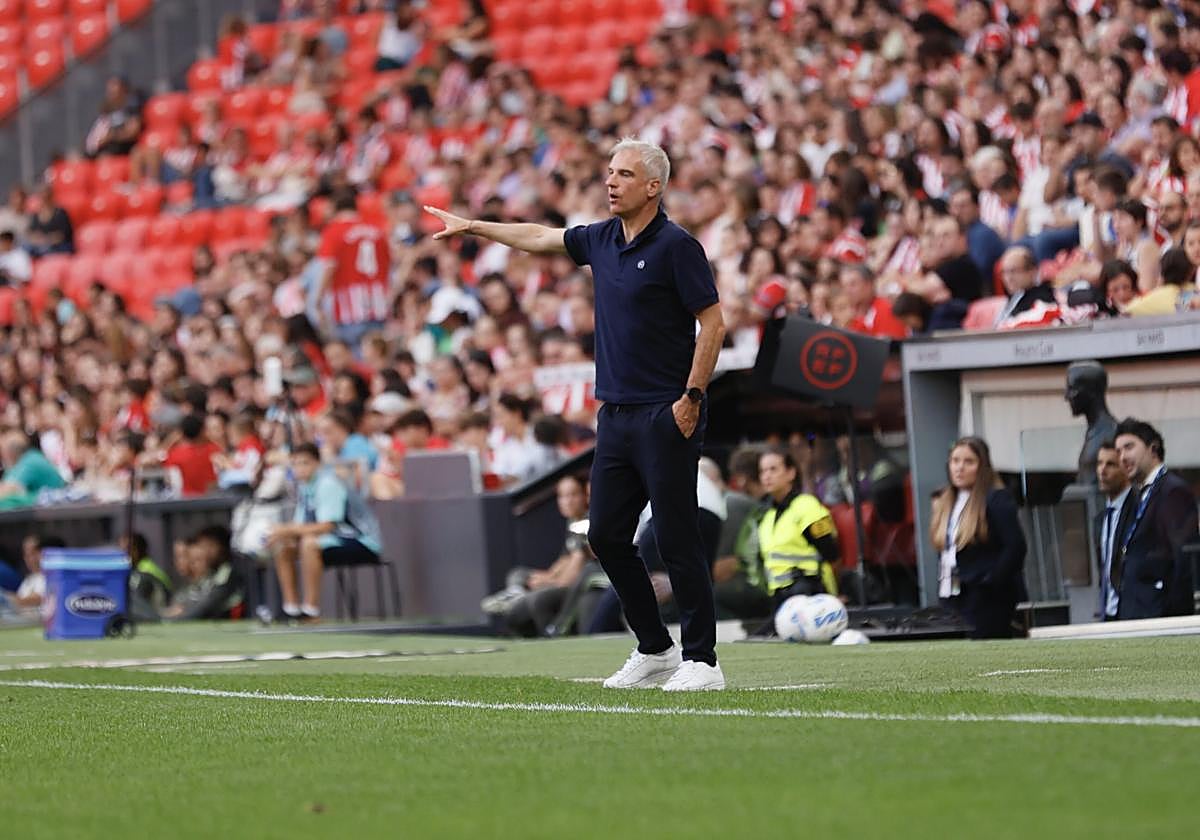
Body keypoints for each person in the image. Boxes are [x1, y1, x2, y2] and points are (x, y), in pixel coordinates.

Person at [425, 137, 727, 691]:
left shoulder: (677, 246)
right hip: (614, 414)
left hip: (667, 410)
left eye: (625, 175)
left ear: (654, 187)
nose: (611, 182)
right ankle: (656, 648)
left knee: (677, 539)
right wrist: (473, 226)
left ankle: (703, 660)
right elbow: (538, 236)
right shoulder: (602, 238)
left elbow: (713, 321)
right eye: (609, 172)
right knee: (607, 536)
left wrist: (693, 397)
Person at [268, 443, 383, 622]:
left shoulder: (328, 483)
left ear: (317, 464)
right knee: (284, 545)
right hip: (330, 541)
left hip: (360, 540)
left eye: (305, 463)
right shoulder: (305, 488)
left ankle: (311, 611)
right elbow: (301, 525)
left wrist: (287, 529)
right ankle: (291, 610)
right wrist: (281, 534)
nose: (299, 468)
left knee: (309, 543)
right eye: (295, 464)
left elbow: (327, 526)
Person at [929, 437, 1027, 639]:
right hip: (952, 595)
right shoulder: (947, 500)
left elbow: (1015, 547)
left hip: (986, 599)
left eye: (968, 462)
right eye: (955, 461)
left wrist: (990, 583)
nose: (959, 468)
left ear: (982, 466)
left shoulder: (995, 499)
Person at [481, 475, 591, 636]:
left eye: (573, 495)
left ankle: (551, 638)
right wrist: (545, 577)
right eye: (562, 496)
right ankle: (516, 591)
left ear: (584, 497)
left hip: (575, 588)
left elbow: (573, 573)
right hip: (558, 583)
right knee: (518, 574)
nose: (567, 501)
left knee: (534, 601)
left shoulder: (586, 524)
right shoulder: (571, 523)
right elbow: (564, 560)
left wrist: (547, 582)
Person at [1111, 419, 1197, 620]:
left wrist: (1171, 617)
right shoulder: (1134, 496)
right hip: (1132, 613)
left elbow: (1182, 561)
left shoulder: (1173, 491)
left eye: (1129, 447)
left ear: (1153, 448)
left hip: (1158, 618)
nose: (1122, 457)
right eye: (1118, 452)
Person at [756, 447, 840, 611]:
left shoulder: (807, 506)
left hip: (811, 592)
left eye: (773, 469)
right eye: (762, 471)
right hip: (779, 597)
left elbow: (832, 555)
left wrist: (834, 595)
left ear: (791, 473)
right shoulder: (767, 516)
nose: (766, 476)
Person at [316, 190, 391, 346]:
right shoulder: (377, 230)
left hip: (349, 308)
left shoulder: (333, 231)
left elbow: (329, 266)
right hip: (378, 304)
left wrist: (318, 298)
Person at [161, 526, 244, 621]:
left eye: (210, 546)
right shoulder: (209, 575)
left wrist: (180, 612)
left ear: (223, 547)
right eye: (202, 546)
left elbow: (205, 608)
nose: (206, 552)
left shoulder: (227, 574)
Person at [1094, 443, 1131, 622]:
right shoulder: (1102, 518)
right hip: (1107, 613)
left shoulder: (1137, 508)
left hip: (1130, 612)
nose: (1102, 470)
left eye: (1110, 464)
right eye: (1100, 463)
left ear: (1125, 469)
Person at [0, 429, 67, 507]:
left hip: (59, 510)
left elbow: (9, 490)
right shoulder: (15, 464)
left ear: (8, 451)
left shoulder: (31, 459)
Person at [994, 246, 1057, 326]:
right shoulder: (1014, 298)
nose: (1008, 278)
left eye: (1013, 271)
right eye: (1004, 272)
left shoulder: (1043, 299)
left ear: (1032, 271)